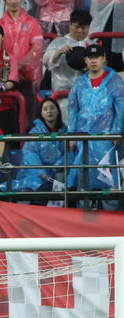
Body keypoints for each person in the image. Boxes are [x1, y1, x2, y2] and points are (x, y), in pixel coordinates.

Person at [67, 43, 124, 208]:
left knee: (107, 182)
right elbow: (72, 110)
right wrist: (71, 135)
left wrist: (116, 132)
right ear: (85, 60)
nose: (93, 61)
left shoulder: (115, 81)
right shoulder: (79, 84)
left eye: (97, 57)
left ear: (103, 59)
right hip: (83, 140)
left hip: (106, 141)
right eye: (90, 58)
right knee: (83, 182)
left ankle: (110, 223)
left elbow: (121, 108)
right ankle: (83, 224)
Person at [8, 97, 69, 197]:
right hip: (36, 175)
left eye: (52, 108)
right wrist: (40, 171)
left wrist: (60, 165)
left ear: (58, 111)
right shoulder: (35, 132)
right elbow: (29, 153)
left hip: (59, 174)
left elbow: (69, 153)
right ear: (41, 113)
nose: (49, 111)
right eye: (45, 109)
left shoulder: (66, 131)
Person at [0, 0, 43, 129]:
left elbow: (37, 49)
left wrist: (21, 65)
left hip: (28, 77)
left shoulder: (32, 23)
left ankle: (29, 145)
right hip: (6, 77)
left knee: (30, 115)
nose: (14, 2)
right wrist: (11, 69)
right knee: (8, 115)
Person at [43, 10, 92, 122]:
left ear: (89, 27)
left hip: (87, 97)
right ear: (70, 25)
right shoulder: (58, 42)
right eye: (76, 27)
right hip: (63, 97)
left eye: (84, 28)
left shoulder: (92, 44)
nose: (79, 31)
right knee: (66, 130)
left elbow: (102, 70)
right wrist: (59, 53)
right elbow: (46, 61)